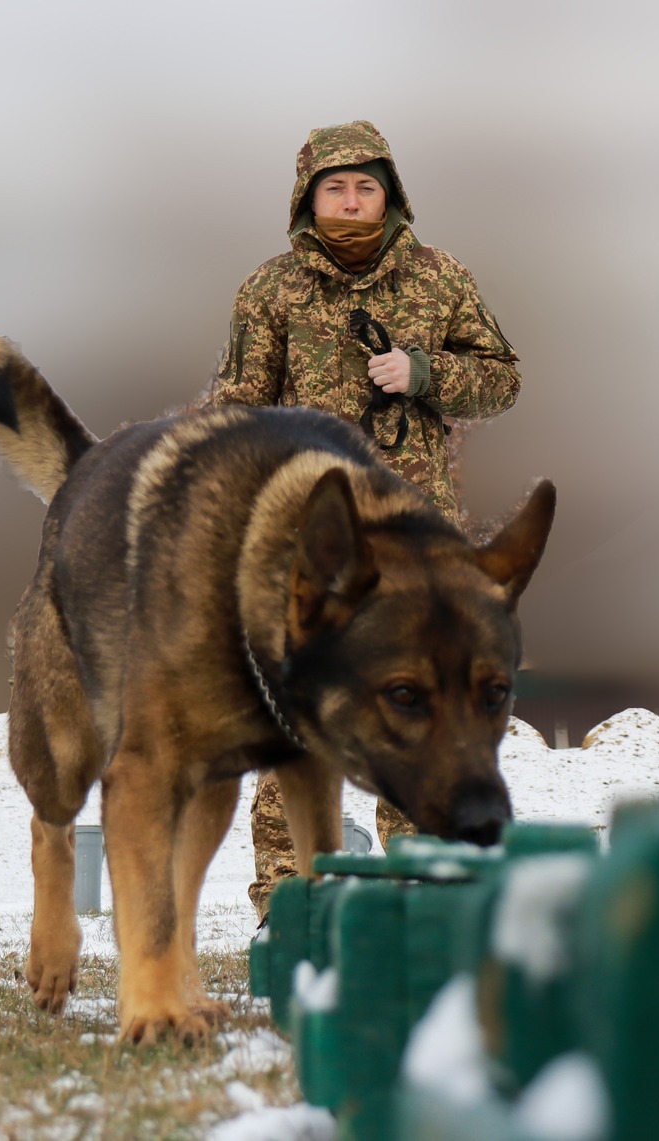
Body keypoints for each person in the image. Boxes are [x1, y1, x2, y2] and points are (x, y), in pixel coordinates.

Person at [206, 119, 522, 916]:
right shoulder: (271, 289)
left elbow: (502, 378)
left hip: (421, 546)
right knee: (298, 713)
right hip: (315, 549)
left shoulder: (440, 278)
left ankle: (432, 895)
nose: (351, 201)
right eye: (335, 187)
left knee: (423, 707)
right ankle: (287, 908)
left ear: (391, 194)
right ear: (309, 198)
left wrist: (423, 372)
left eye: (366, 186)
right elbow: (237, 401)